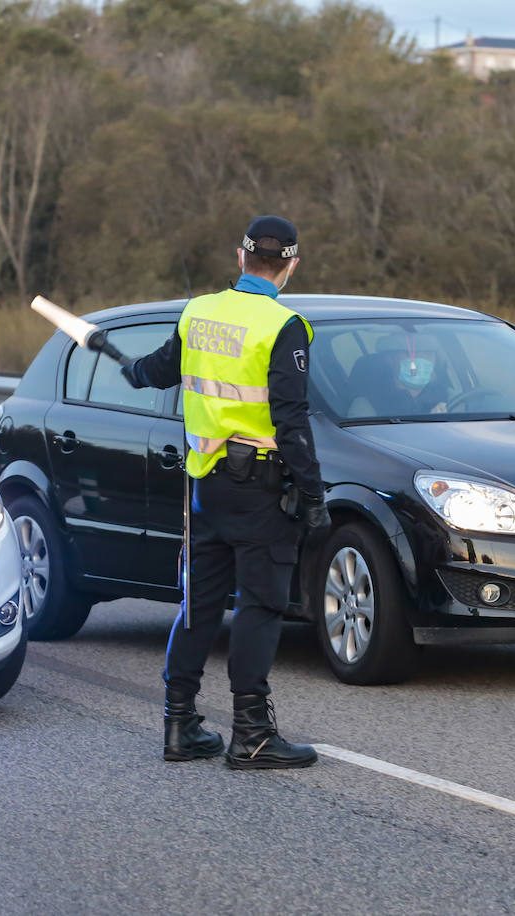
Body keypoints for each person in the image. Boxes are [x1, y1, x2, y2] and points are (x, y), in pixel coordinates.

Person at [122, 215, 330, 770]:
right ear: (289, 266)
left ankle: (179, 724)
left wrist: (131, 369)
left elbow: (159, 370)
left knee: (201, 606)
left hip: (205, 485)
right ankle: (252, 735)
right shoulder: (284, 326)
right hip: (261, 488)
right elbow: (292, 420)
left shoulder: (198, 312)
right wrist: (312, 494)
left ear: (240, 259)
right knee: (260, 605)